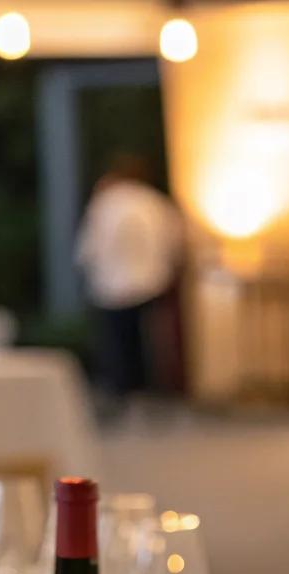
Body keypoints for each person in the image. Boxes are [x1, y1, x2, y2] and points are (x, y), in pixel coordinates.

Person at [74, 155, 184, 406]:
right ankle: (153, 390)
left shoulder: (105, 204)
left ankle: (124, 392)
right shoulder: (154, 202)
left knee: (119, 344)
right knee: (150, 341)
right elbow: (174, 242)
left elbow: (89, 249)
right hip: (151, 283)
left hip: (113, 287)